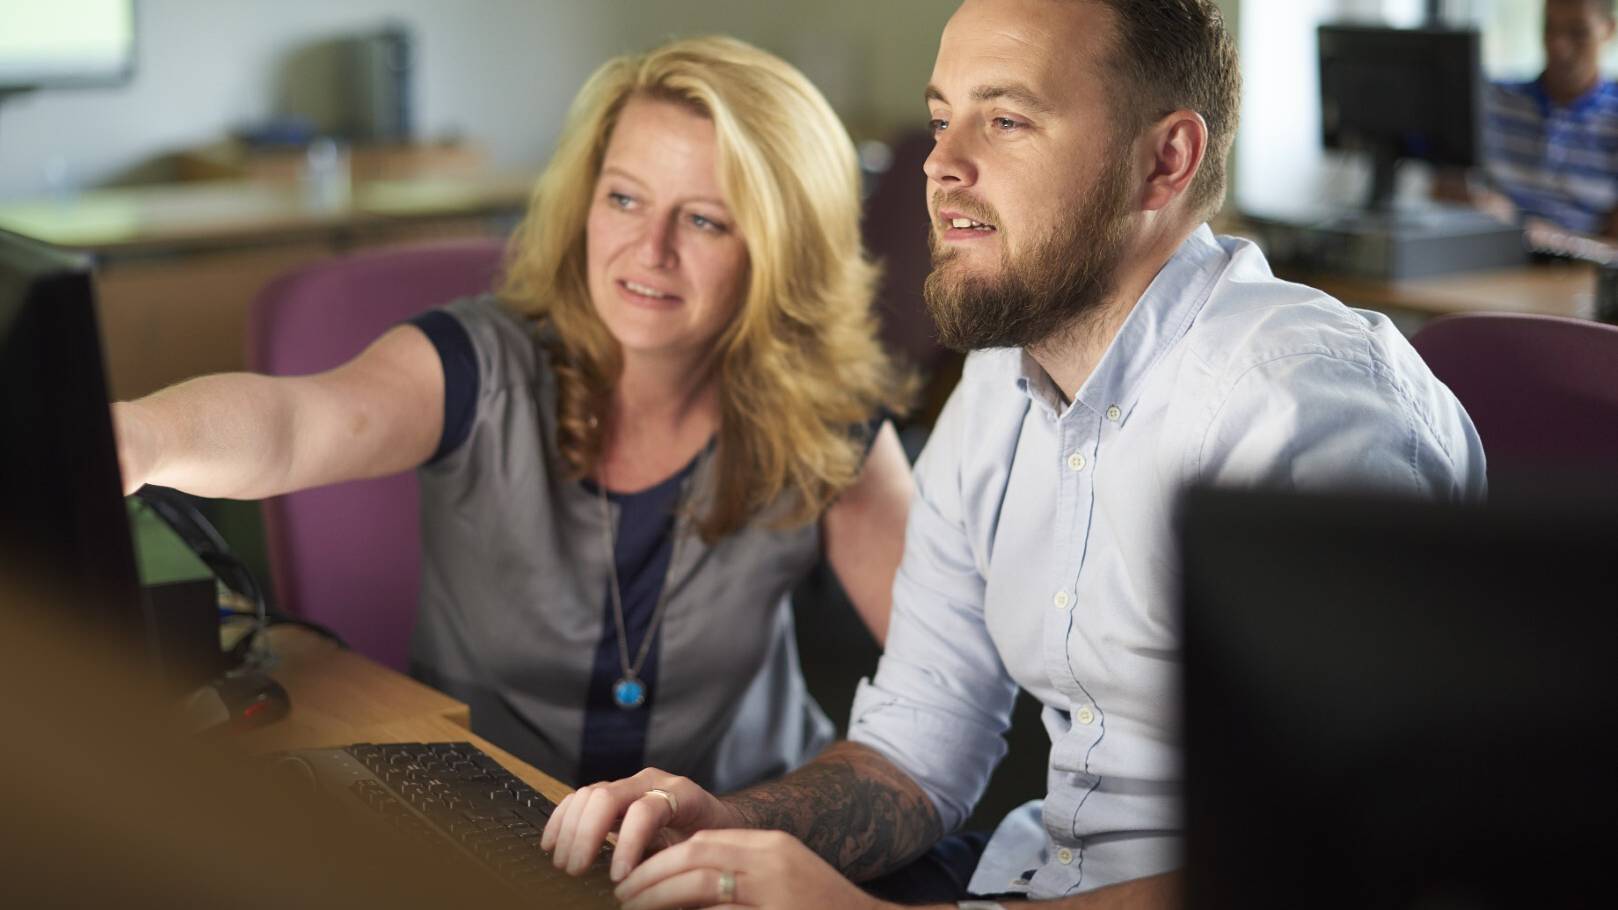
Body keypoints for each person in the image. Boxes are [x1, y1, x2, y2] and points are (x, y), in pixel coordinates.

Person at [542, 1, 1487, 908]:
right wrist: (729, 830)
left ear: (1164, 163)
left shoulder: (1297, 410)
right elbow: (917, 749)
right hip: (1037, 875)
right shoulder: (997, 387)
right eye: (941, 118)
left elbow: (1334, 867)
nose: (942, 166)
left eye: (1005, 120)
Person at [111, 36, 915, 795]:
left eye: (704, 219)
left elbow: (950, 680)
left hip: (739, 836)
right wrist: (141, 436)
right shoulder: (479, 362)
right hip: (486, 821)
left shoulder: (825, 418)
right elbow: (293, 424)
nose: (650, 249)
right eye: (625, 199)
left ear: (784, 247)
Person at [1470, 0, 1618, 238]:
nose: (1558, 45)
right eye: (1550, 28)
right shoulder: (1493, 102)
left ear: (1609, 30)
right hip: (1487, 256)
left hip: (1573, 268)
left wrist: (1545, 236)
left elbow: (1612, 249)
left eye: (1578, 32)